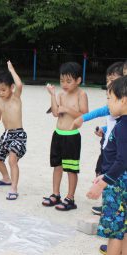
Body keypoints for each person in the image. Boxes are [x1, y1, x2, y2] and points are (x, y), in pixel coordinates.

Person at [72, 62, 124, 216]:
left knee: (112, 176)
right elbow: (114, 123)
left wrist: (82, 118)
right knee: (102, 172)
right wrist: (104, 129)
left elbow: (103, 112)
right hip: (107, 146)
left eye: (113, 80)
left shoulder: (118, 103)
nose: (109, 83)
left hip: (115, 150)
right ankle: (108, 204)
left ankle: (112, 208)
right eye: (108, 80)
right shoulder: (115, 103)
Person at [87, 76, 127, 255]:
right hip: (118, 179)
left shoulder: (122, 127)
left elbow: (122, 160)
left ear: (123, 100)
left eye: (110, 98)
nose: (108, 103)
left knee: (115, 232)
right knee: (124, 229)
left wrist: (103, 182)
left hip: (118, 185)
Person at [42, 62, 88, 210]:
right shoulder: (61, 94)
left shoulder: (82, 94)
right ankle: (55, 194)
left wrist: (67, 109)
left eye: (69, 81)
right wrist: (53, 95)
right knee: (57, 166)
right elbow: (55, 113)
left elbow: (85, 115)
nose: (65, 84)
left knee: (71, 169)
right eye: (62, 81)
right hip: (58, 134)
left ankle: (70, 198)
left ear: (78, 80)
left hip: (72, 136)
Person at [0, 60, 27, 201]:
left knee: (12, 160)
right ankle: (6, 178)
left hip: (18, 135)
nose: (0, 93)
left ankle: (14, 188)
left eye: (3, 90)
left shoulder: (15, 98)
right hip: (6, 135)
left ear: (11, 87)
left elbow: (20, 85)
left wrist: (11, 69)